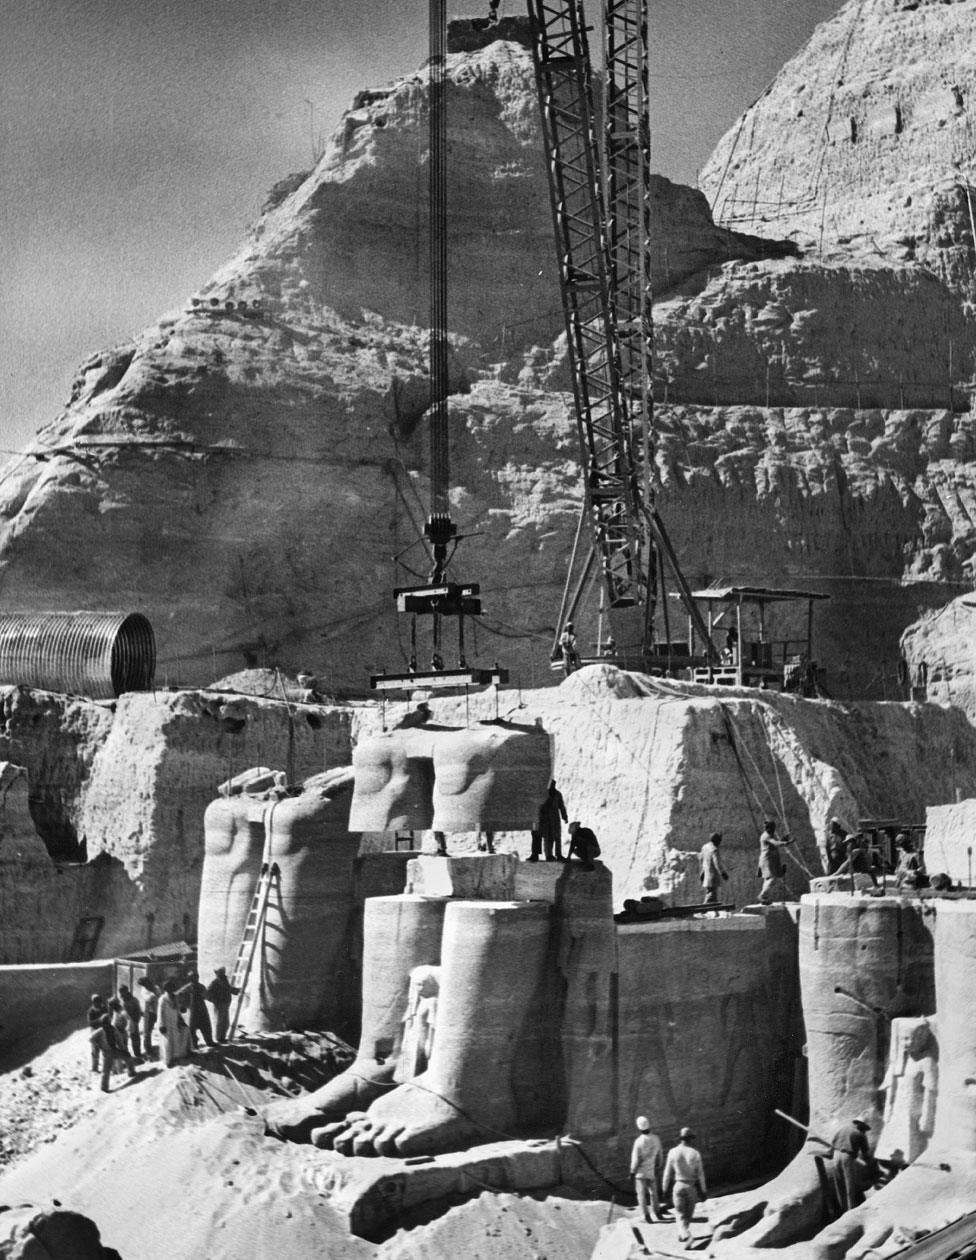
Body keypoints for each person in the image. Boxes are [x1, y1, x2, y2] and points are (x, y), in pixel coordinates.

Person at [662, 1126, 707, 1244]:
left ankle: (683, 1235)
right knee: (687, 1215)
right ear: (691, 1139)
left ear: (681, 1139)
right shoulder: (695, 1154)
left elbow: (667, 1173)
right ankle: (686, 1236)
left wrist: (664, 1188)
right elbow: (700, 1175)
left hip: (678, 1185)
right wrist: (703, 1191)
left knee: (680, 1214)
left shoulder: (673, 1152)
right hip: (691, 1187)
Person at [828, 1115, 879, 1214]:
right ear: (862, 1125)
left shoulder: (843, 1128)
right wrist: (871, 1166)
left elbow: (833, 1143)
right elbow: (865, 1153)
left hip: (836, 1155)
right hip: (847, 1157)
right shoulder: (860, 1134)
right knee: (849, 1185)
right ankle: (850, 1211)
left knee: (839, 1184)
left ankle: (842, 1210)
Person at [630, 1115, 663, 1224]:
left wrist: (632, 1172)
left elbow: (635, 1160)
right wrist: (658, 1167)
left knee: (641, 1195)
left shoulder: (638, 1142)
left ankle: (646, 1216)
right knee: (654, 1193)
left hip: (640, 1173)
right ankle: (657, 1213)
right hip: (651, 1171)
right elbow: (660, 1156)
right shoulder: (656, 1139)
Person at [529, 779, 568, 862]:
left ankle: (556, 855)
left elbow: (561, 806)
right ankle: (541, 855)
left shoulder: (557, 794)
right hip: (542, 820)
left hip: (553, 820)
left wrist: (565, 816)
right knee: (543, 837)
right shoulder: (542, 794)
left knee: (555, 837)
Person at [757, 819, 793, 904]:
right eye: (773, 828)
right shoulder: (766, 836)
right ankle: (762, 896)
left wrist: (783, 839)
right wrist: (787, 842)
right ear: (768, 828)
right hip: (767, 860)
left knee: (768, 878)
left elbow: (774, 844)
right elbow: (775, 843)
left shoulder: (769, 835)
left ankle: (764, 897)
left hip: (770, 859)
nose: (774, 830)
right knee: (771, 878)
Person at [158, 979, 192, 1067]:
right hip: (166, 1022)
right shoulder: (162, 999)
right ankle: (168, 1060)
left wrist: (181, 1020)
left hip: (174, 1021)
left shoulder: (176, 997)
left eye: (172, 988)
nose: (170, 990)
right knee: (167, 1041)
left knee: (176, 1038)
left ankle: (176, 1057)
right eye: (168, 989)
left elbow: (178, 1011)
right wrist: (161, 1025)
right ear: (165, 989)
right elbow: (160, 1013)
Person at [178, 970, 215, 1049]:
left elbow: (207, 996)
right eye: (193, 978)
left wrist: (208, 996)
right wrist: (183, 1005)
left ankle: (209, 1041)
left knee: (206, 1026)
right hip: (192, 1010)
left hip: (202, 1009)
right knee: (192, 1029)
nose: (195, 979)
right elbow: (179, 994)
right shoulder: (187, 988)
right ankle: (194, 1044)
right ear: (190, 979)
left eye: (196, 977)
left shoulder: (201, 986)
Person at [206, 967, 237, 1043]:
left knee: (226, 1022)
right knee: (220, 1022)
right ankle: (219, 1038)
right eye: (220, 973)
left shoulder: (224, 980)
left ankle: (222, 1037)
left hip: (225, 1004)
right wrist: (214, 1000)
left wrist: (237, 990)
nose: (221, 974)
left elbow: (229, 989)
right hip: (219, 1005)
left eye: (222, 972)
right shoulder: (215, 982)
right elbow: (207, 993)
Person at [699, 832, 730, 905]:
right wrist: (723, 873)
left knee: (711, 894)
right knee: (711, 895)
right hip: (712, 876)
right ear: (716, 841)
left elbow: (701, 859)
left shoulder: (704, 847)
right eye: (719, 841)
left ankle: (712, 911)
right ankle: (703, 910)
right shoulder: (714, 850)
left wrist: (702, 871)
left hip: (706, 874)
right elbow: (717, 864)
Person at [118, 984, 143, 1060]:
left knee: (135, 1037)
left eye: (123, 991)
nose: (122, 993)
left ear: (127, 991)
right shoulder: (120, 1001)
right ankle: (126, 1054)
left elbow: (138, 1011)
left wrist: (136, 1021)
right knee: (123, 1039)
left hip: (133, 1021)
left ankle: (137, 1053)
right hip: (123, 1022)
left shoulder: (134, 1000)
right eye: (121, 991)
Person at [138, 977, 159, 1061]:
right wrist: (154, 996)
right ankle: (148, 1050)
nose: (146, 986)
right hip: (148, 1013)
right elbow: (149, 999)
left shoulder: (156, 988)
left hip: (156, 1011)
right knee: (147, 1032)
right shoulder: (144, 991)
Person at [87, 993, 107, 1073]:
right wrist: (99, 1020)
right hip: (95, 1031)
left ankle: (108, 1066)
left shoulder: (104, 1008)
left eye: (99, 1001)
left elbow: (108, 1018)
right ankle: (95, 1068)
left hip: (103, 1030)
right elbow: (90, 1023)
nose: (97, 1003)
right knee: (95, 1050)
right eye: (95, 1001)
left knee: (105, 1049)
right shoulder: (91, 1011)